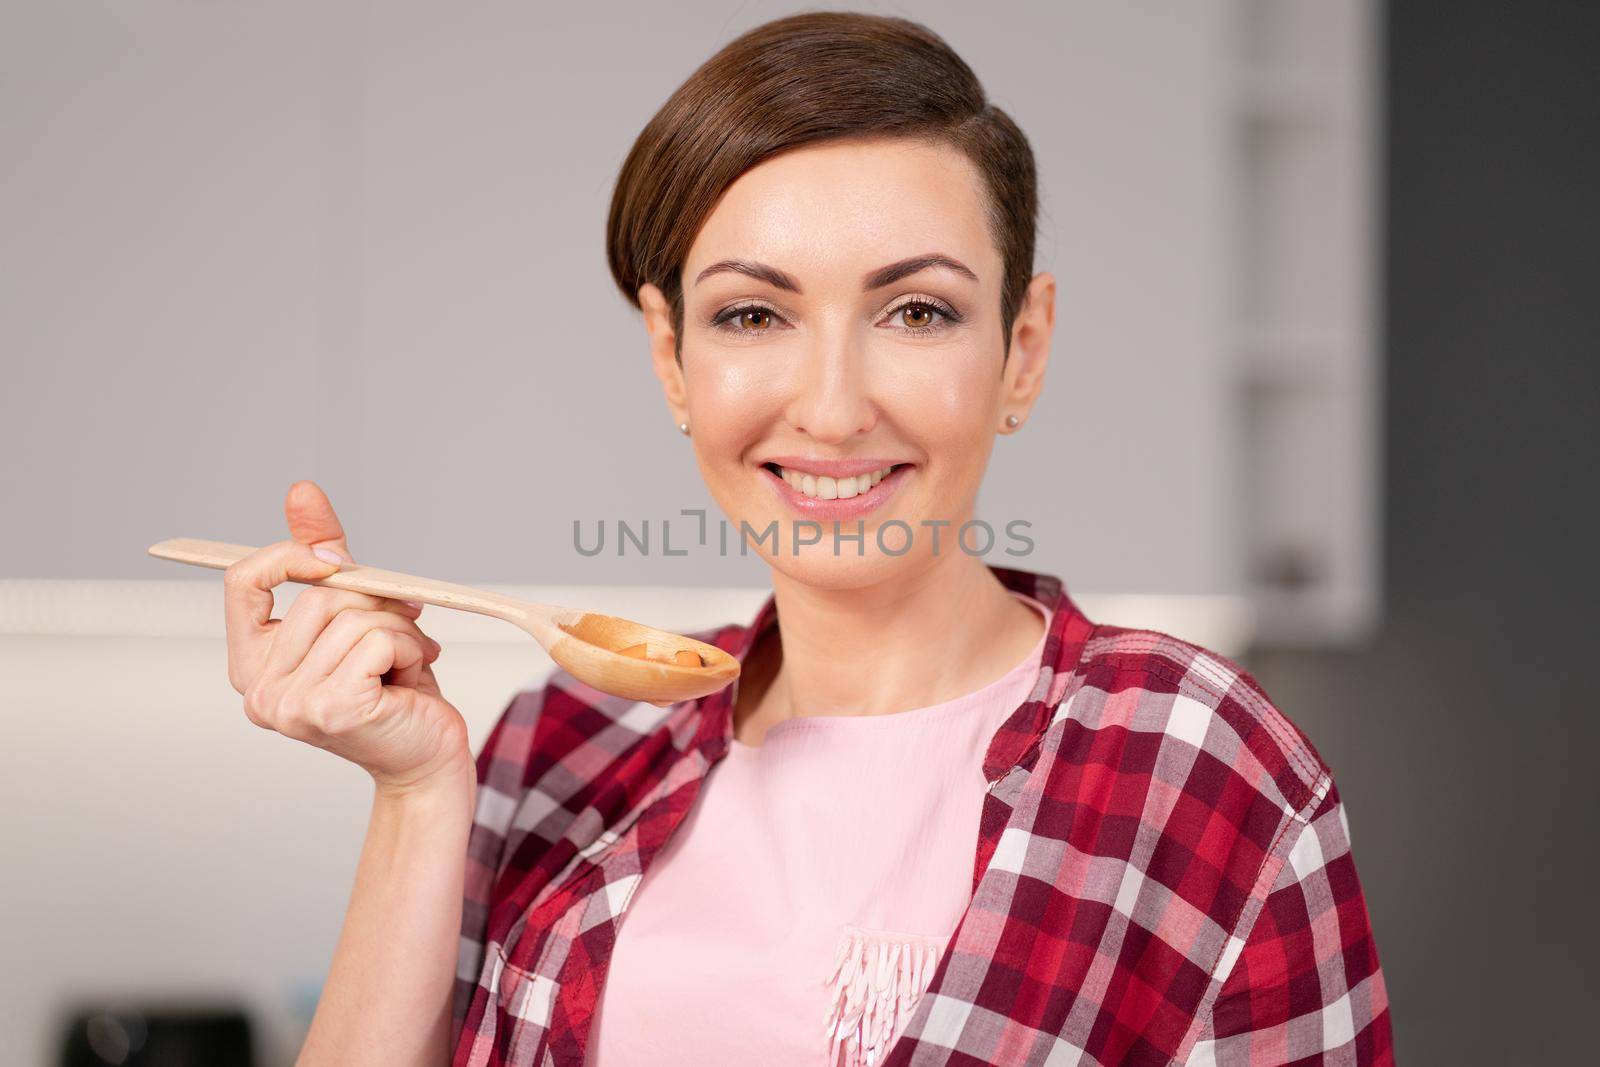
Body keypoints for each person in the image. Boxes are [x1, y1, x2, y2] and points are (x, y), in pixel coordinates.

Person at [221, 12, 1393, 1066]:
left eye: (916, 310)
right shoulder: (565, 744)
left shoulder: (1195, 762)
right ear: (671, 356)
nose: (832, 407)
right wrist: (420, 792)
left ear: (1022, 348)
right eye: (752, 314)